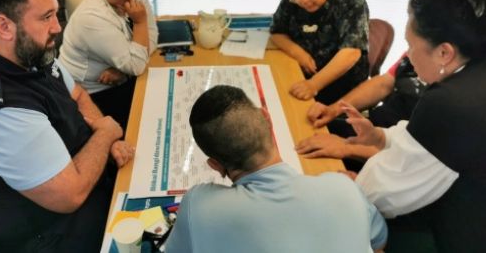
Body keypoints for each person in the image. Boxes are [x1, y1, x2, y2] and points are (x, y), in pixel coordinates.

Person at [0, 0, 135, 252]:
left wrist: (105, 138)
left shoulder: (26, 50)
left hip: (85, 176)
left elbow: (77, 94)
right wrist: (106, 135)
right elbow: (70, 195)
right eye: (46, 17)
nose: (58, 27)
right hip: (52, 231)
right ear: (4, 26)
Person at [343, 0, 486, 251]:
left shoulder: (452, 102)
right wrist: (381, 137)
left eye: (411, 45)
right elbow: (434, 143)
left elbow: (384, 193)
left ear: (444, 52)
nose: (407, 55)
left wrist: (346, 188)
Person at [165, 85, 387, 253]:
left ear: (215, 166)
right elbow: (379, 241)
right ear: (267, 119)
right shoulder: (344, 188)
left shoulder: (200, 205)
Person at [59, 0, 158, 130]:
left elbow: (152, 36)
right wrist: (140, 22)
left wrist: (126, 70)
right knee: (151, 118)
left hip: (122, 78)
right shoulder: (91, 18)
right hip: (92, 95)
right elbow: (137, 64)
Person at [270, 0, 370, 105]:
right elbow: (277, 32)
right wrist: (299, 53)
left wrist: (314, 84)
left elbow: (351, 52)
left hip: (342, 85)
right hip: (302, 73)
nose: (302, 0)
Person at [296, 53, 425, 161]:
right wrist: (334, 109)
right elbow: (384, 84)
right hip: (370, 130)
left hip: (383, 162)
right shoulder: (420, 51)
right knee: (302, 130)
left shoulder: (441, 101)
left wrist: (348, 148)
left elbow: (414, 161)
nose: (409, 50)